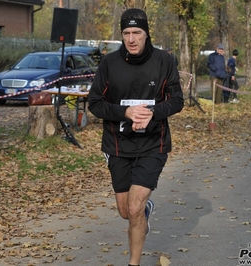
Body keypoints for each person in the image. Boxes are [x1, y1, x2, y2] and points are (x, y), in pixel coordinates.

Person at [88, 8, 184, 266]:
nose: (131, 39)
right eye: (126, 33)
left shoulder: (164, 61)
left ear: (146, 34)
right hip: (118, 144)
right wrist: (125, 112)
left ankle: (134, 262)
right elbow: (95, 104)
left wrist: (152, 113)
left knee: (134, 208)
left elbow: (177, 101)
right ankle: (144, 211)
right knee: (124, 211)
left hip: (154, 143)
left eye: (137, 33)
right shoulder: (109, 63)